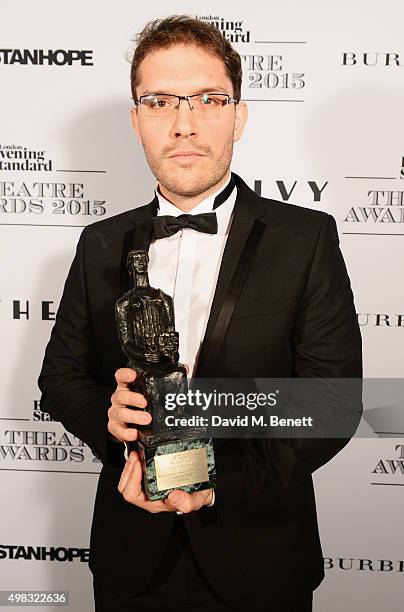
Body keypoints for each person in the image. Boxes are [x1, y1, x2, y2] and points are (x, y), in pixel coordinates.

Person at [38, 15, 362, 612]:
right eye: (160, 101)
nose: (184, 124)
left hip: (261, 559)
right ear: (136, 120)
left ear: (238, 114)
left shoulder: (306, 237)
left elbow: (333, 402)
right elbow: (60, 379)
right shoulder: (100, 243)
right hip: (130, 561)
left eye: (208, 99)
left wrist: (217, 484)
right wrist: (115, 428)